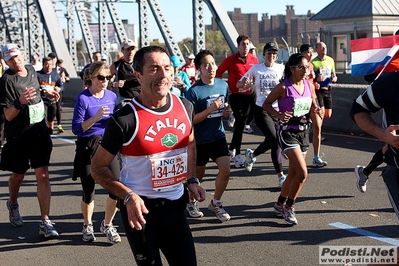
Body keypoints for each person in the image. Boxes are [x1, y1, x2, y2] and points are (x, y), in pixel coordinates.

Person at [90, 45, 206, 266]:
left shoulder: (185, 107)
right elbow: (97, 168)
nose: (163, 75)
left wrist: (191, 179)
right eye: (154, 69)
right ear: (138, 76)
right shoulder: (124, 118)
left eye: (167, 68)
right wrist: (128, 196)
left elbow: (190, 144)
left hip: (175, 207)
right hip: (140, 210)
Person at [0, 43, 60, 237]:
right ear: (5, 61)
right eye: (10, 59)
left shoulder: (32, 70)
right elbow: (8, 115)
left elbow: (34, 91)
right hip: (18, 135)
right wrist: (19, 102)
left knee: (42, 175)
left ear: (22, 54)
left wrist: (45, 92)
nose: (15, 61)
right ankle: (13, 203)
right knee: (19, 174)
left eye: (17, 56)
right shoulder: (6, 80)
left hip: (39, 132)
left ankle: (45, 221)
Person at [263, 53, 320, 225]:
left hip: (303, 132)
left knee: (293, 173)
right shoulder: (283, 87)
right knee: (302, 173)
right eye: (301, 67)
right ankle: (289, 206)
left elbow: (312, 105)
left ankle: (279, 203)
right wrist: (280, 115)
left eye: (307, 67)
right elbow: (266, 104)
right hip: (288, 133)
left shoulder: (309, 86)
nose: (305, 70)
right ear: (292, 68)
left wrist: (316, 110)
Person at [72, 61, 121, 244]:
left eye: (108, 77)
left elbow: (114, 120)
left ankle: (107, 224)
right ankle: (87, 224)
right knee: (88, 191)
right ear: (91, 78)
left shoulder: (111, 96)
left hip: (107, 144)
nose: (105, 81)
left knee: (116, 186)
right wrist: (95, 118)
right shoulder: (83, 98)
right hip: (87, 145)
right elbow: (77, 129)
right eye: (101, 77)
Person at [185, 50, 231, 222]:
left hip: (218, 136)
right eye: (206, 64)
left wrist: (226, 111)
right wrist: (210, 109)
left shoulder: (222, 85)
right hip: (199, 140)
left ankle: (216, 203)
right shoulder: (194, 91)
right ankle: (191, 202)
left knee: (225, 170)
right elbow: (191, 120)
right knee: (198, 176)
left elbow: (224, 108)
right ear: (199, 69)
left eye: (212, 63)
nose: (210, 67)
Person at [350, 71, 399, 224]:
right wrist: (382, 134)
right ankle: (364, 172)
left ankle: (364, 172)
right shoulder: (392, 81)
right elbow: (358, 109)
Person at [238, 42, 286, 188]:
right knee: (276, 143)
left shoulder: (281, 68)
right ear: (263, 54)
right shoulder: (256, 69)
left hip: (277, 111)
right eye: (269, 53)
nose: (271, 55)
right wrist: (244, 83)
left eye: (274, 53)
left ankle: (251, 156)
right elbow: (238, 85)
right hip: (261, 110)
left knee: (272, 141)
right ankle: (281, 177)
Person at [216, 34, 259, 168]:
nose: (245, 47)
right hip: (235, 95)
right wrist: (224, 89)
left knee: (244, 123)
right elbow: (218, 73)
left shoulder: (254, 60)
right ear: (238, 46)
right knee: (240, 122)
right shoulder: (230, 60)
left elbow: (257, 76)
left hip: (249, 94)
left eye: (247, 44)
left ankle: (232, 148)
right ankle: (238, 155)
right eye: (243, 44)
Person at [311, 41, 338, 167]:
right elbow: (310, 79)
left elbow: (334, 74)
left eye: (325, 47)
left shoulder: (331, 60)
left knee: (328, 114)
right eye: (321, 47)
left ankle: (312, 124)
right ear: (317, 49)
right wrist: (317, 79)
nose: (324, 49)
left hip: (328, 90)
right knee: (319, 123)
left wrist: (334, 78)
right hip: (318, 92)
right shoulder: (314, 62)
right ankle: (316, 132)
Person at [109, 39, 141, 108]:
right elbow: (107, 84)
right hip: (124, 101)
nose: (130, 52)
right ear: (122, 50)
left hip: (140, 99)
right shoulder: (116, 66)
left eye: (132, 49)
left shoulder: (140, 65)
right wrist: (115, 84)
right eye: (128, 49)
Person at [36, 56, 63, 133]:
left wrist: (59, 88)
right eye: (47, 64)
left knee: (51, 117)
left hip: (52, 100)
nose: (49, 66)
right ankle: (43, 131)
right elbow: (34, 87)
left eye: (50, 64)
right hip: (41, 100)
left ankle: (50, 131)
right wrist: (42, 91)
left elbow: (61, 85)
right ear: (43, 65)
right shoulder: (38, 75)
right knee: (42, 117)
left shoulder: (56, 75)